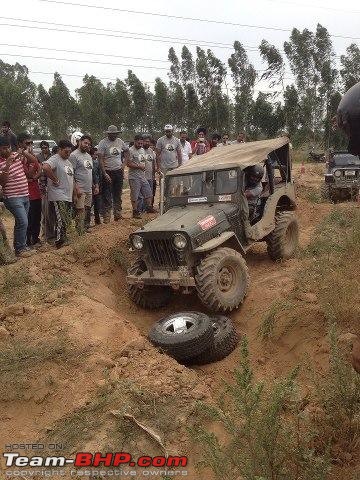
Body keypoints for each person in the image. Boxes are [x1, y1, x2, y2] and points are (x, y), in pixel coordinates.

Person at [0, 135, 37, 257]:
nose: (6, 150)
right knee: (23, 221)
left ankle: (20, 247)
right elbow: (3, 183)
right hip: (12, 197)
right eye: (3, 148)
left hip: (25, 195)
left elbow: (34, 161)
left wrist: (23, 153)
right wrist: (8, 165)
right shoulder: (1, 162)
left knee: (20, 222)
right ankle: (20, 249)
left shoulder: (16, 156)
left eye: (8, 147)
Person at [42, 140, 74, 249]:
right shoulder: (55, 159)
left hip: (67, 196)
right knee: (61, 219)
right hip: (58, 195)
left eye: (70, 152)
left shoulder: (68, 162)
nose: (68, 154)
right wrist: (55, 180)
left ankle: (63, 237)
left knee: (66, 219)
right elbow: (45, 167)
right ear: (60, 149)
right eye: (66, 151)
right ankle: (59, 241)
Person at [97, 125, 129, 223]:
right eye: (112, 134)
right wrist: (104, 173)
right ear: (108, 134)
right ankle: (107, 216)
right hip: (107, 171)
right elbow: (100, 159)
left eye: (115, 134)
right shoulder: (103, 143)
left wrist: (124, 164)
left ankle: (117, 214)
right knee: (107, 194)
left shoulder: (120, 141)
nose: (114, 135)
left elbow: (127, 151)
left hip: (118, 171)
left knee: (118, 193)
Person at [69, 135, 98, 234]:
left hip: (88, 187)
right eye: (85, 143)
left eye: (89, 144)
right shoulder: (73, 155)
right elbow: (71, 173)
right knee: (80, 209)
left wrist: (95, 185)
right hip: (79, 188)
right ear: (80, 142)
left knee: (87, 208)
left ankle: (85, 227)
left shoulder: (88, 155)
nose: (87, 145)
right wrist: (76, 187)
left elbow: (90, 171)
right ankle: (79, 230)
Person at [18, 133, 42, 247]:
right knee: (27, 220)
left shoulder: (32, 158)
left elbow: (39, 169)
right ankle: (26, 242)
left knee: (37, 218)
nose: (30, 145)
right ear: (20, 144)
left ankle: (35, 239)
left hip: (36, 193)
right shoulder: (18, 159)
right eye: (27, 143)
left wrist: (34, 177)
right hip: (25, 194)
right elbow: (28, 173)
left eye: (31, 143)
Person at [127, 135, 156, 219]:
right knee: (135, 195)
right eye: (138, 143)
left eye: (141, 143)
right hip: (134, 176)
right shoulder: (130, 150)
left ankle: (148, 207)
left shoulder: (142, 150)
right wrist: (139, 166)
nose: (140, 145)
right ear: (135, 141)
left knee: (149, 193)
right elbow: (128, 163)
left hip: (142, 176)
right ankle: (135, 211)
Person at [37, 141, 56, 244]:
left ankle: (50, 234)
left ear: (48, 148)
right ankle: (45, 234)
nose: (44, 149)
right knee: (45, 213)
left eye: (45, 147)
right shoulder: (38, 157)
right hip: (43, 188)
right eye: (42, 148)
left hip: (51, 188)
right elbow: (40, 174)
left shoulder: (52, 156)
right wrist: (42, 188)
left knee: (51, 213)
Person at [142, 135, 156, 208]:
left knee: (150, 193)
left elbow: (153, 162)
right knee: (142, 194)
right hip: (142, 176)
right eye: (146, 141)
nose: (147, 143)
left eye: (148, 142)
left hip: (150, 176)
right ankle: (141, 208)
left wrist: (153, 175)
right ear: (142, 141)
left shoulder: (151, 151)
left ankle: (149, 207)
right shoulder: (140, 150)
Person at [90, 146, 102, 225]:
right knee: (92, 203)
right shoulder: (93, 162)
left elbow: (98, 174)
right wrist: (95, 185)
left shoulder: (96, 162)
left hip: (96, 184)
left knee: (96, 203)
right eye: (95, 154)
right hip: (92, 185)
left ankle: (97, 220)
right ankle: (96, 220)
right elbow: (92, 175)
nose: (96, 156)